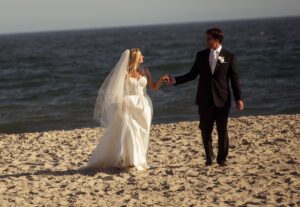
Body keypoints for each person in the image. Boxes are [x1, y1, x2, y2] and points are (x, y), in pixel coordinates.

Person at [166, 28, 244, 166]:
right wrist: (175, 80)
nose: (206, 41)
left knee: (222, 129)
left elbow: (234, 79)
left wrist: (239, 98)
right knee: (205, 129)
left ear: (217, 40)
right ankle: (209, 156)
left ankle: (222, 158)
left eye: (209, 39)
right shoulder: (201, 55)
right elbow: (192, 75)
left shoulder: (229, 56)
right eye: (206, 39)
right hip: (204, 99)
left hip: (222, 99)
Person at [80, 48, 168, 171]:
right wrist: (120, 102)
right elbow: (116, 90)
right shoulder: (125, 73)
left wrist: (161, 80)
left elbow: (153, 87)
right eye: (140, 55)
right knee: (131, 130)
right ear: (135, 58)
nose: (143, 56)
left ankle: (139, 157)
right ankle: (131, 161)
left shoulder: (145, 71)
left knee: (143, 132)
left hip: (144, 105)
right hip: (129, 103)